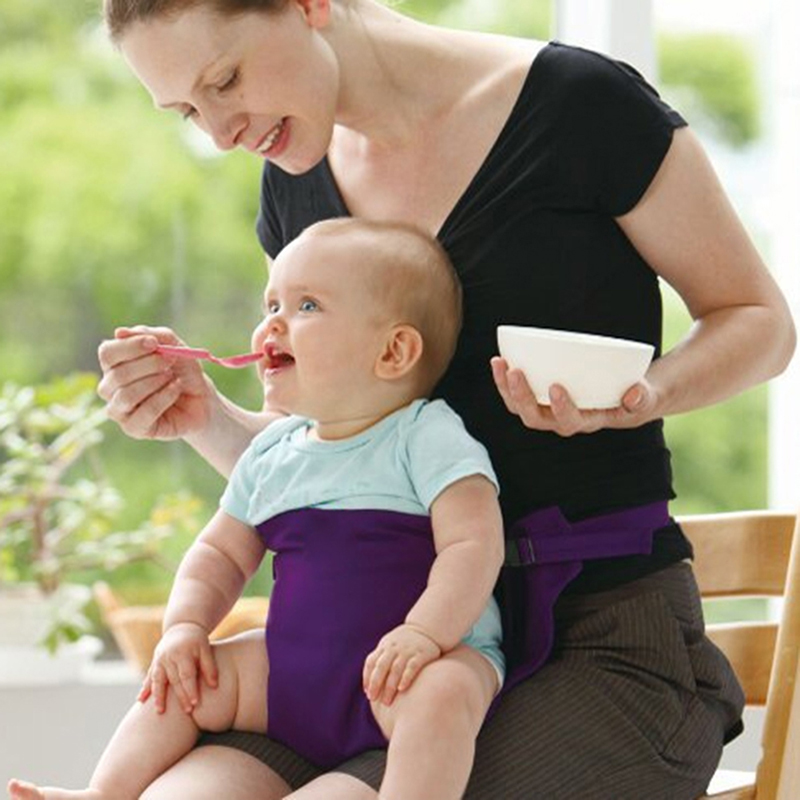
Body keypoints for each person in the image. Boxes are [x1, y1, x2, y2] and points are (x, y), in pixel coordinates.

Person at [93, 0, 796, 798]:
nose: (222, 133)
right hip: (374, 666)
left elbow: (759, 321)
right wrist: (205, 418)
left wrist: (642, 395)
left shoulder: (579, 107)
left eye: (225, 80)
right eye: (190, 110)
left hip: (600, 644)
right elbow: (327, 458)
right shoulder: (294, 184)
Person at [7, 218, 506, 800]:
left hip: (409, 671)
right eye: (271, 304)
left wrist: (424, 634)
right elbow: (219, 554)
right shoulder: (274, 452)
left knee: (445, 694)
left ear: (393, 351)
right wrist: (185, 627)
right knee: (184, 678)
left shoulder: (427, 436)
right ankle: (105, 793)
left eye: (307, 306)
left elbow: (474, 545)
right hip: (291, 672)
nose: (272, 323)